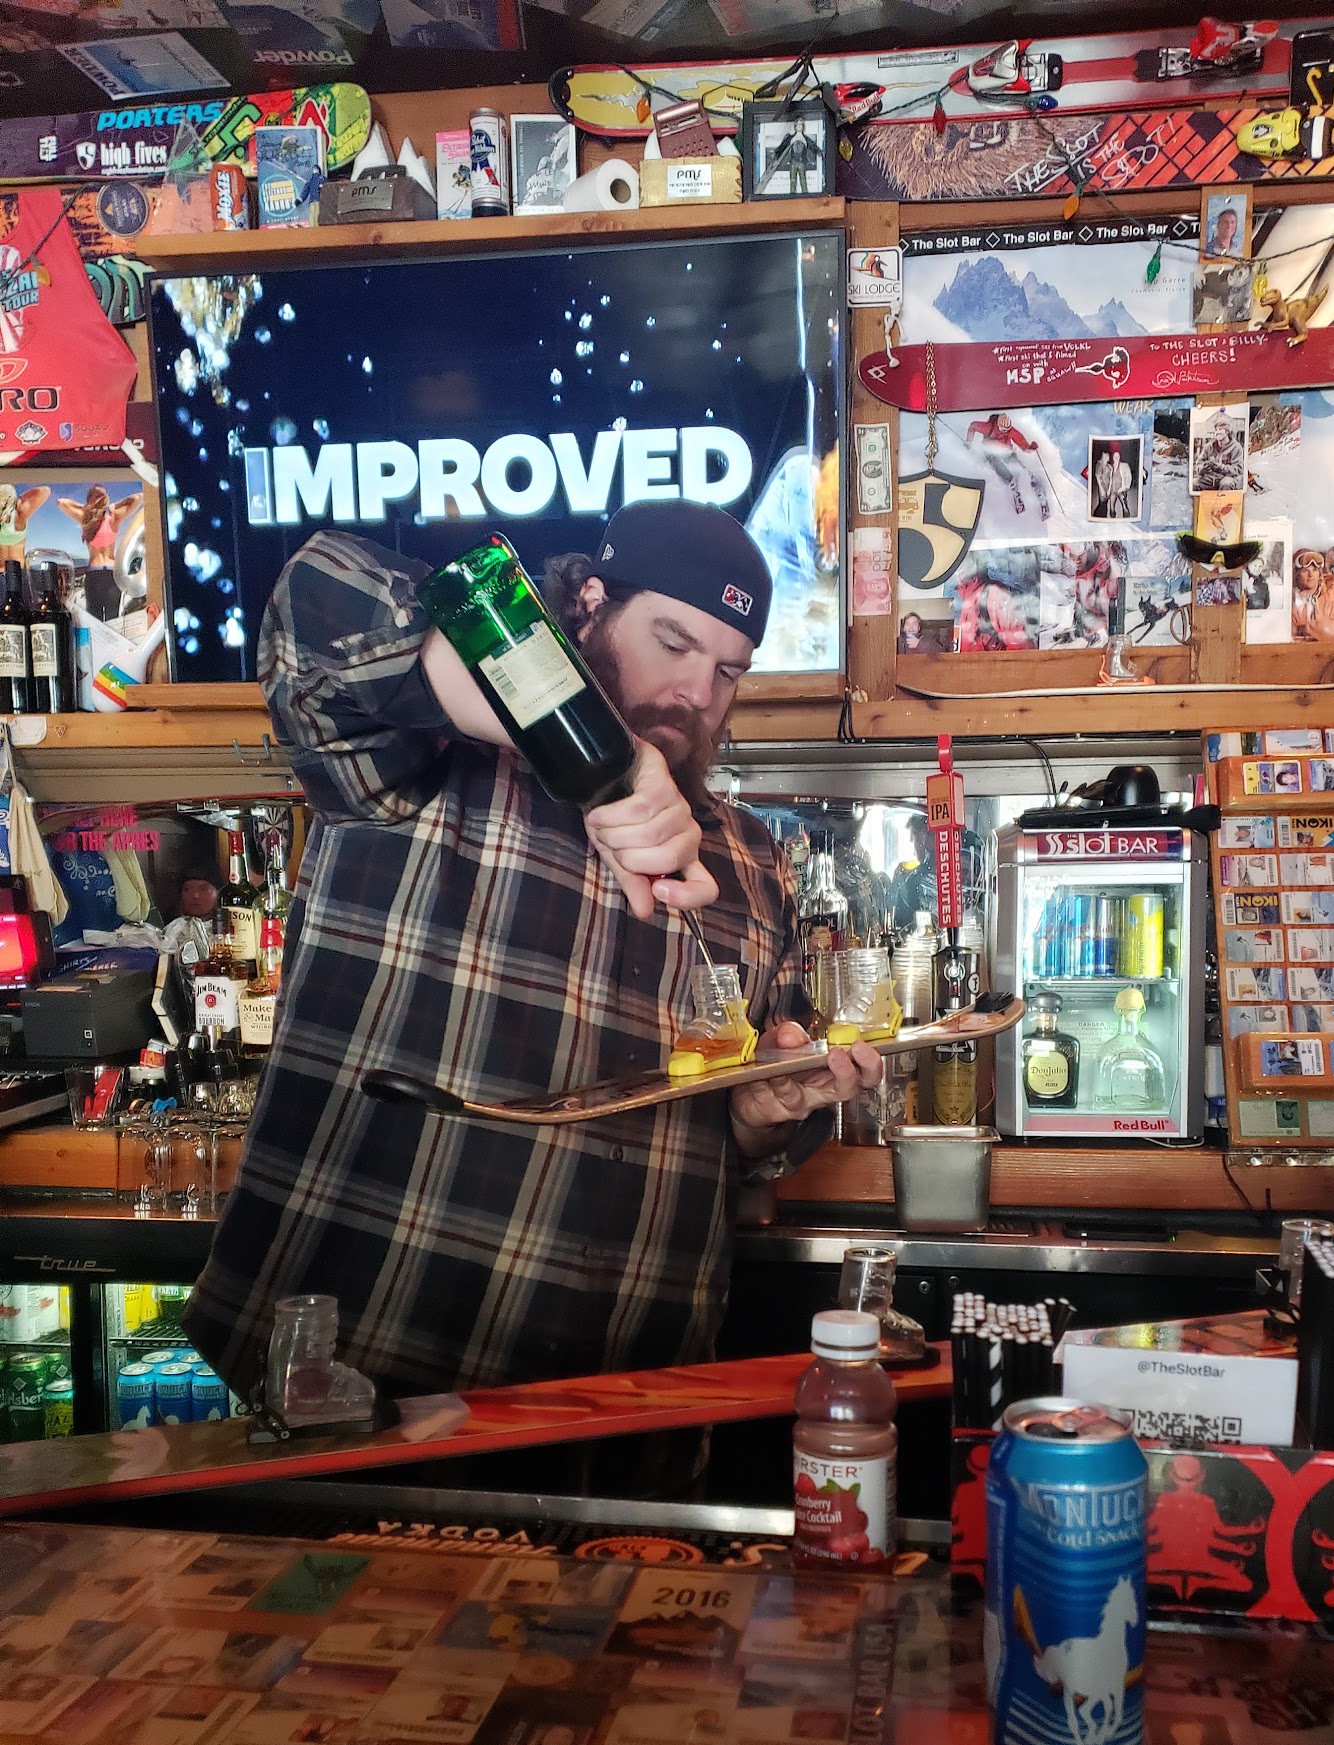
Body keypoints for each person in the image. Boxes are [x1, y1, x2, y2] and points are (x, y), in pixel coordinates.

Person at [184, 502, 879, 1412]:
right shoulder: (426, 762)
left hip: (634, 1401)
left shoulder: (749, 863)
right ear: (588, 605)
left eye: (727, 672)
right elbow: (314, 601)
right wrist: (602, 754)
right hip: (366, 1389)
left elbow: (744, 1140)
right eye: (672, 642)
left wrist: (762, 1112)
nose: (696, 693)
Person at [56, 483, 142, 621]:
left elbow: (61, 503)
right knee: (110, 617)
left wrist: (90, 508)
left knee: (96, 617)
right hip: (110, 573)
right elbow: (138, 498)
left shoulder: (89, 518)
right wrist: (107, 507)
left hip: (96, 574)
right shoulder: (111, 517)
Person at [965, 410, 1051, 518]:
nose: (1005, 432)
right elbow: (973, 426)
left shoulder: (1010, 431)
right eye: (1003, 429)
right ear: (998, 425)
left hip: (1006, 452)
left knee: (1018, 467)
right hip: (991, 452)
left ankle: (1031, 480)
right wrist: (969, 441)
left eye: (1007, 429)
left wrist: (1029, 448)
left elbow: (1020, 441)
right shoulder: (988, 428)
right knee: (997, 463)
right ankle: (1011, 480)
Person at [1291, 547, 1334, 641]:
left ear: (1320, 573)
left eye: (1315, 570)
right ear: (1296, 574)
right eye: (1305, 571)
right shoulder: (1290, 603)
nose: (1310, 575)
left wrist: (1308, 628)